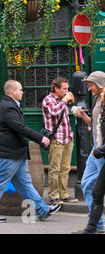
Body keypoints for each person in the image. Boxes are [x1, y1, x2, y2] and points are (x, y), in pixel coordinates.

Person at [0, 80, 60, 223]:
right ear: (13, 91)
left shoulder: (10, 105)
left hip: (16, 154)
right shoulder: (8, 107)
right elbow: (19, 128)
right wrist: (40, 138)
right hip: (9, 154)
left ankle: (42, 210)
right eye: (21, 89)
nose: (22, 92)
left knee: (25, 185)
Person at [72, 71, 105, 233]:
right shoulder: (98, 99)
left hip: (102, 151)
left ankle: (95, 226)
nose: (89, 88)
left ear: (99, 84)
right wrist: (84, 116)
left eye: (91, 85)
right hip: (95, 149)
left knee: (98, 190)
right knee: (87, 185)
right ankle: (97, 225)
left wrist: (100, 150)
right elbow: (95, 124)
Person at [41, 77, 78, 205]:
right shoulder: (48, 100)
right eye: (65, 88)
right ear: (56, 89)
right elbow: (54, 112)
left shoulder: (63, 100)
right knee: (55, 169)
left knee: (65, 168)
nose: (67, 91)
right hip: (56, 139)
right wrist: (65, 100)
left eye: (68, 88)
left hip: (67, 137)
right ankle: (53, 195)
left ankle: (64, 194)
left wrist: (70, 102)